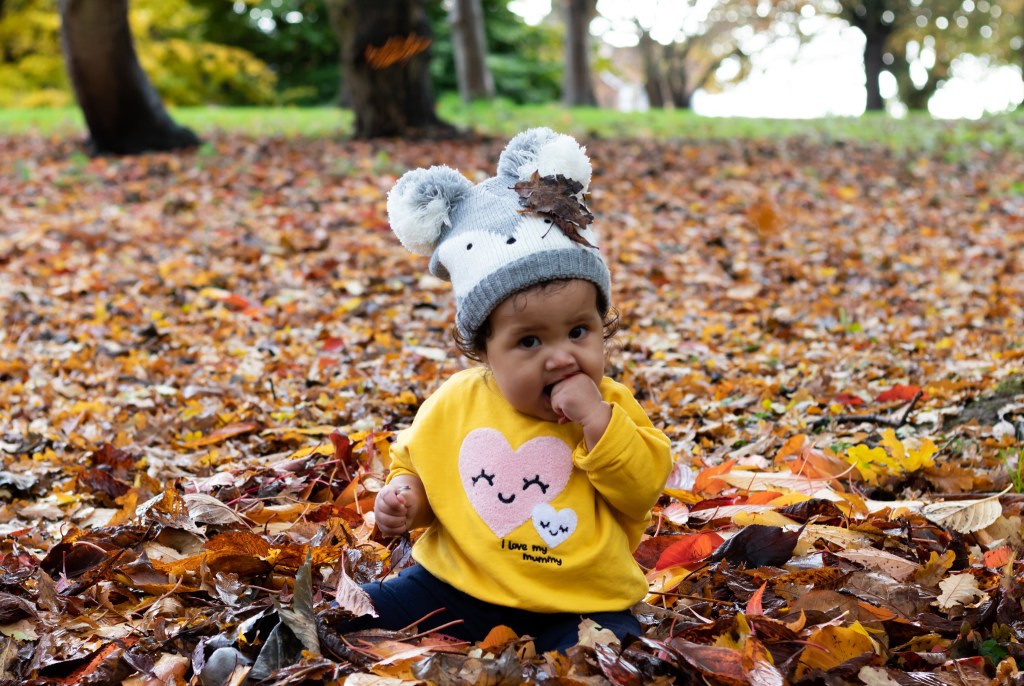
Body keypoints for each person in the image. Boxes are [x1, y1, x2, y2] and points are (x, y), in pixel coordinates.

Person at [346, 128, 672, 653]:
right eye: (529, 341)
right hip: (455, 585)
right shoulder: (457, 402)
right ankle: (274, 645)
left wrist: (597, 424)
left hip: (581, 600)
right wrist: (407, 500)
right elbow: (418, 465)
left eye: (578, 331)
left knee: (610, 653)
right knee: (358, 608)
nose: (562, 355)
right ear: (485, 352)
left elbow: (641, 489)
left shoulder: (611, 407)